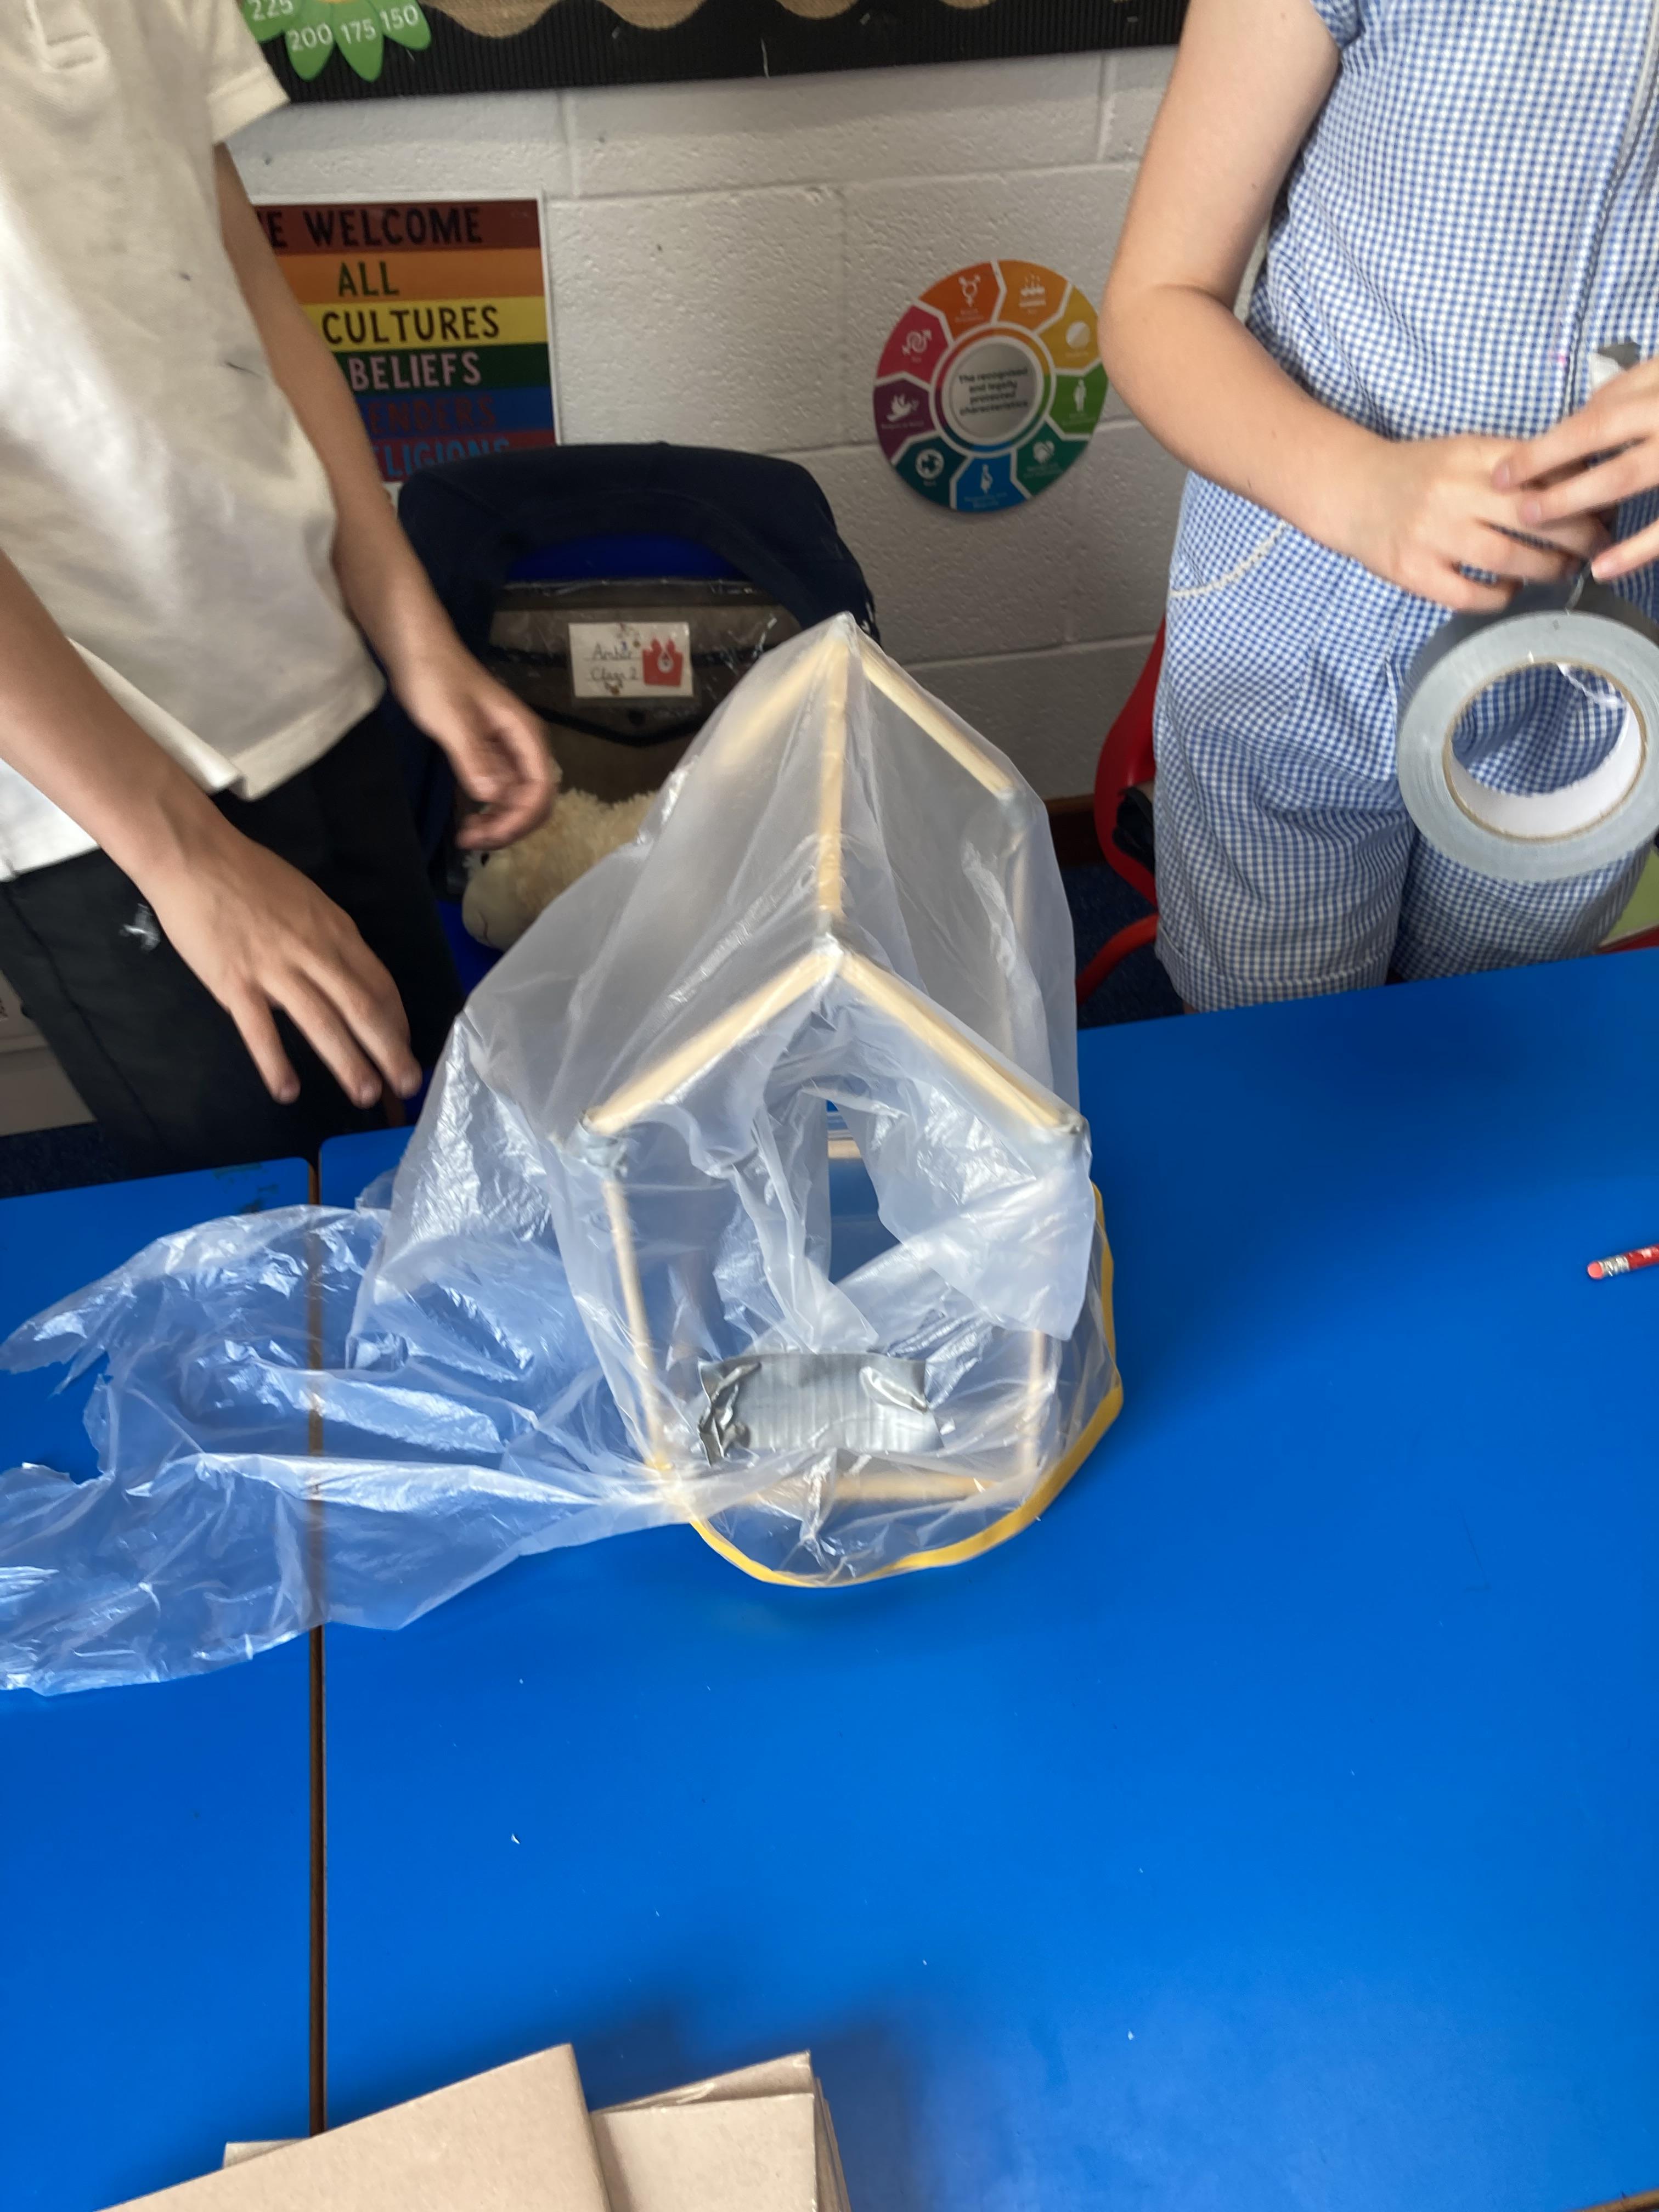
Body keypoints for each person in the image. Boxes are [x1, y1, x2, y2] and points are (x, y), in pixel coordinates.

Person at [0, 0, 551, 1172]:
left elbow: (244, 280)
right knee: (275, 1226)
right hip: (98, 794)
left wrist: (410, 631)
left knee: (431, 1151)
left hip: (311, 672)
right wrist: (182, 856)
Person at [1100, 0, 1659, 1011]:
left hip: (1604, 675)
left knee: (1492, 1037)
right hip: (1306, 627)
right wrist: (1361, 488)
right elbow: (1155, 302)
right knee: (1277, 1039)